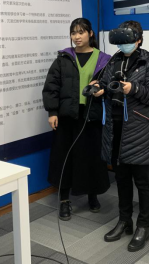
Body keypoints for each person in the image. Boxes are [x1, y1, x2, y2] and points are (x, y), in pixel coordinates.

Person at [94, 21, 149, 253]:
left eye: (128, 39)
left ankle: (143, 226)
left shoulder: (148, 63)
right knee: (121, 179)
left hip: (138, 131)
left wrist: (133, 88)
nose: (123, 44)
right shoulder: (112, 61)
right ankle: (124, 221)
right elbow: (105, 85)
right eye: (120, 40)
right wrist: (99, 88)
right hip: (114, 130)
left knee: (142, 182)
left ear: (138, 39)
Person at [42, 18, 112, 221]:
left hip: (92, 115)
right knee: (64, 157)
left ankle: (92, 196)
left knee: (91, 157)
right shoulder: (63, 58)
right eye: (73, 33)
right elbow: (51, 86)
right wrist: (52, 112)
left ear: (90, 33)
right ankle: (64, 200)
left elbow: (111, 84)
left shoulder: (104, 59)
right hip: (67, 116)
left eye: (81, 32)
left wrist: (103, 88)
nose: (77, 37)